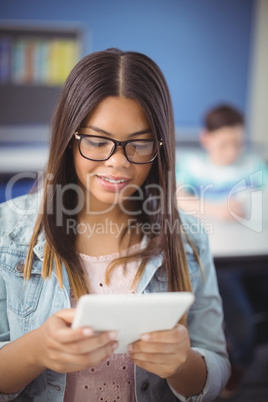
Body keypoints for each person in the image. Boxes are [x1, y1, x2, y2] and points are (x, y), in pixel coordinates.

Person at [0, 49, 230, 402]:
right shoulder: (7, 230)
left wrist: (182, 363)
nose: (118, 163)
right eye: (96, 141)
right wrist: (35, 351)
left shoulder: (188, 239)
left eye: (139, 144)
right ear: (68, 138)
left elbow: (216, 366)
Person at [176, 104, 268, 397]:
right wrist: (219, 208)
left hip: (256, 254)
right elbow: (177, 197)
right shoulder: (190, 165)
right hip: (218, 260)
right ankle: (238, 363)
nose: (232, 151)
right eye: (224, 143)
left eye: (238, 143)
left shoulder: (253, 164)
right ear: (207, 139)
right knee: (240, 318)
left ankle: (245, 361)